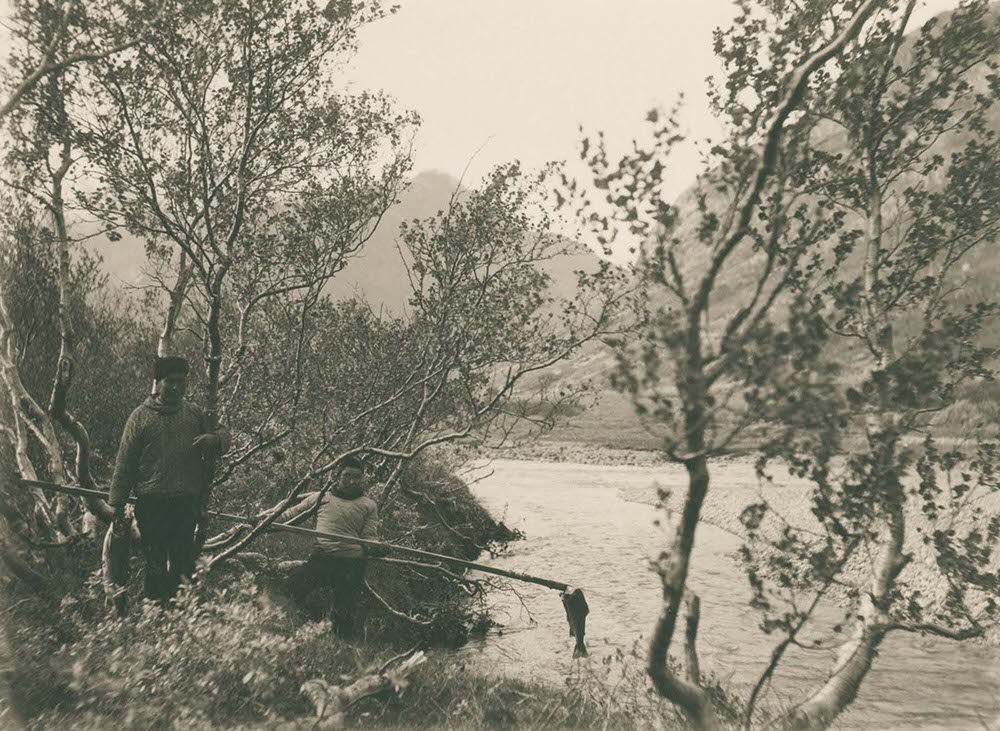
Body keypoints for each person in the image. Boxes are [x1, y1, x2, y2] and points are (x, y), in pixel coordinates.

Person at [108, 355, 229, 604]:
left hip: (186, 505)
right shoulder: (140, 417)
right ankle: (154, 616)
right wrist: (117, 504)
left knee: (182, 564)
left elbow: (223, 434)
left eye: (181, 382)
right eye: (170, 381)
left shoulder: (195, 414)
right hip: (152, 505)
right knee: (155, 564)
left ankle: (178, 618)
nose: (176, 387)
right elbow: (125, 462)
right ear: (158, 383)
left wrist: (214, 441)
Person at [289, 455, 378, 639]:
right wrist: (263, 523)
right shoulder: (322, 498)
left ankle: (341, 648)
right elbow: (291, 514)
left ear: (362, 479)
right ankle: (286, 626)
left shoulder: (368, 505)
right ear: (338, 476)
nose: (351, 481)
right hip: (323, 557)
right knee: (294, 588)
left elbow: (369, 537)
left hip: (351, 563)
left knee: (344, 612)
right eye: (347, 475)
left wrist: (376, 547)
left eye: (357, 477)